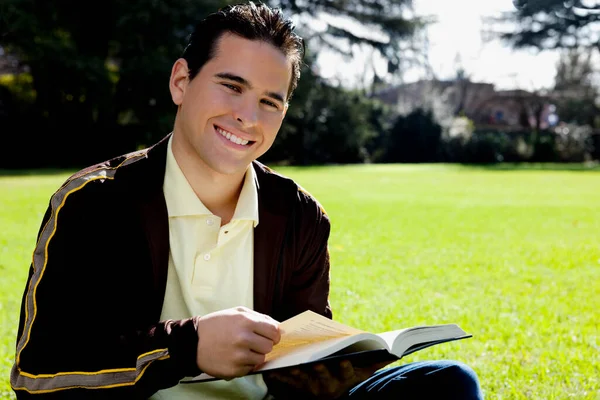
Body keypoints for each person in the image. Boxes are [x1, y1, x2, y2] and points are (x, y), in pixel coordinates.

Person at [10, 2, 484, 399]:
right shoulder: (96, 202)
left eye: (269, 102)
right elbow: (36, 377)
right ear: (181, 82)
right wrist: (188, 346)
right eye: (231, 87)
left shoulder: (299, 216)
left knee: (449, 384)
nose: (245, 117)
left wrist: (334, 365)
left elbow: (298, 367)